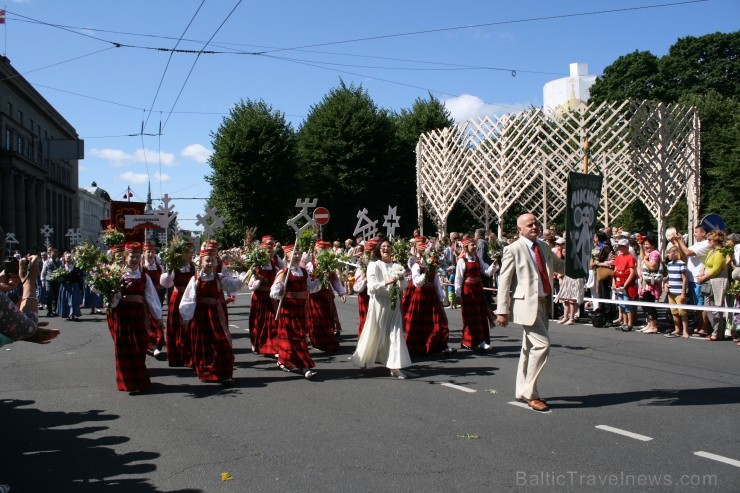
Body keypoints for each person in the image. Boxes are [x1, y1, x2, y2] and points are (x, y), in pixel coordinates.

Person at [495, 213, 564, 412]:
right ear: (520, 230)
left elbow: (559, 266)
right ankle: (531, 394)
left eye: (536, 223)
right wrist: (502, 310)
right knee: (542, 346)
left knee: (528, 349)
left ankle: (521, 389)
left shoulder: (544, 247)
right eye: (529, 224)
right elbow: (504, 282)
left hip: (543, 303)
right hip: (526, 305)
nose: (534, 227)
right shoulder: (513, 249)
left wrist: (580, 264)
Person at [179, 242, 244, 384]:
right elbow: (188, 298)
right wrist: (186, 317)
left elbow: (235, 285)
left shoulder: (219, 277)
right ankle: (206, 372)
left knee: (221, 341)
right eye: (207, 260)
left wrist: (247, 273)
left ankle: (224, 373)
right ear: (201, 262)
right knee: (203, 344)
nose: (210, 263)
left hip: (215, 314)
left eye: (212, 261)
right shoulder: (195, 279)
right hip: (200, 315)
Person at [107, 242, 164, 393]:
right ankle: (127, 382)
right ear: (126, 257)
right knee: (124, 348)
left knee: (139, 346)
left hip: (138, 315)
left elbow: (152, 298)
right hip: (122, 315)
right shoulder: (116, 273)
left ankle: (139, 380)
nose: (134, 259)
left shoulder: (144, 277)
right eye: (132, 255)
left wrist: (158, 318)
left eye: (137, 256)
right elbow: (106, 293)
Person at [351, 240, 413, 379]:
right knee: (374, 332)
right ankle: (365, 358)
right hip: (379, 304)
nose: (386, 248)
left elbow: (404, 287)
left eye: (389, 246)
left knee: (396, 334)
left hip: (394, 304)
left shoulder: (397, 265)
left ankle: (395, 367)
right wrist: (387, 281)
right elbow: (372, 287)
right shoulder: (374, 265)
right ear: (379, 250)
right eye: (383, 246)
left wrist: (402, 280)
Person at [270, 244, 321, 379]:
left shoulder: (304, 272)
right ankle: (305, 367)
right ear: (287, 256)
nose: (297, 256)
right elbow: (274, 293)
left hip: (302, 309)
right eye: (294, 253)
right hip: (289, 310)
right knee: (294, 337)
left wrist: (322, 279)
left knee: (297, 337)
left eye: (298, 253)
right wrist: (280, 288)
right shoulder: (283, 273)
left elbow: (310, 288)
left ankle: (282, 359)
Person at [403, 240, 455, 355]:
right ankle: (417, 346)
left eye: (426, 250)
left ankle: (440, 345)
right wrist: (425, 274)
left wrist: (441, 296)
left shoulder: (433, 264)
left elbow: (436, 281)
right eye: (422, 250)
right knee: (417, 322)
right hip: (420, 296)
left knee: (437, 321)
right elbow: (417, 282)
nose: (425, 252)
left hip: (431, 296)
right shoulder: (416, 265)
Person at [455, 237, 497, 352]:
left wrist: (495, 263)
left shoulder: (477, 259)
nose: (475, 247)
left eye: (475, 245)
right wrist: (458, 294)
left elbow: (488, 272)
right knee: (471, 317)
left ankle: (477, 340)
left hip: (478, 289)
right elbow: (458, 278)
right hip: (468, 291)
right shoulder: (462, 261)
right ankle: (473, 341)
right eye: (472, 245)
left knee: (480, 315)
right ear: (466, 247)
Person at [160, 241, 196, 367]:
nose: (190, 255)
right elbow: (166, 283)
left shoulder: (194, 267)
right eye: (187, 253)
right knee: (176, 326)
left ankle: (189, 355)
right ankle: (177, 356)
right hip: (178, 297)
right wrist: (169, 270)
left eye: (191, 252)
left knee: (190, 327)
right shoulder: (175, 267)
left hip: (190, 298)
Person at [305, 240, 346, 352]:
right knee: (317, 318)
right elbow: (309, 282)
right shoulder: (310, 265)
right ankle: (317, 340)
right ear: (316, 250)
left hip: (326, 294)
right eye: (320, 249)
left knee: (328, 318)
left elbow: (335, 280)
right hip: (315, 295)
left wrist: (341, 293)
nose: (323, 251)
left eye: (325, 249)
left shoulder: (330, 264)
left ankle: (328, 339)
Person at [671, 225, 711, 335]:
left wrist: (679, 240)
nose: (694, 234)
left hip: (699, 278)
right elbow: (684, 253)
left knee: (700, 305)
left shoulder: (706, 244)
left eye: (696, 232)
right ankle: (699, 325)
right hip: (691, 278)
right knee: (695, 305)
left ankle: (705, 327)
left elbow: (688, 252)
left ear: (703, 233)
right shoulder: (696, 244)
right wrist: (677, 242)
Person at [247, 235, 282, 356]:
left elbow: (282, 274)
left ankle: (273, 346)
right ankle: (257, 343)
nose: (270, 253)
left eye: (271, 250)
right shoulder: (257, 265)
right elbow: (250, 285)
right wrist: (258, 280)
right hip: (259, 298)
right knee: (258, 322)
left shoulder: (276, 264)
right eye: (267, 250)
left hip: (271, 298)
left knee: (273, 322)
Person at [694, 230, 728, 341]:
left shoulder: (721, 252)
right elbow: (706, 264)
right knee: (708, 308)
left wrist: (703, 278)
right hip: (708, 282)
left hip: (717, 282)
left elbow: (715, 270)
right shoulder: (711, 251)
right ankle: (716, 330)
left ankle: (717, 332)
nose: (708, 242)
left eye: (710, 240)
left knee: (716, 308)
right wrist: (701, 273)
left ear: (716, 241)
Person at [142, 242, 166, 358]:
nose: (151, 254)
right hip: (145, 299)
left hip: (157, 296)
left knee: (157, 318)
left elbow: (163, 283)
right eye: (148, 252)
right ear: (144, 253)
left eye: (152, 252)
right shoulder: (141, 267)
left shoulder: (159, 267)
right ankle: (152, 345)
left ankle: (156, 344)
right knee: (148, 321)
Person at [612, 238, 638, 332]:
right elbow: (615, 270)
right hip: (618, 282)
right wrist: (614, 283)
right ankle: (624, 322)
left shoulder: (630, 257)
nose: (619, 248)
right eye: (619, 246)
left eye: (621, 246)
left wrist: (625, 284)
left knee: (627, 304)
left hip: (626, 284)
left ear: (626, 247)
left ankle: (630, 323)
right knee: (621, 304)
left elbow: (632, 273)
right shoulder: (619, 256)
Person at [663, 245, 690, 338]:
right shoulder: (669, 264)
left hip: (679, 291)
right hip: (671, 291)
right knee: (674, 311)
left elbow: (684, 278)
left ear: (675, 253)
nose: (668, 256)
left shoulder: (681, 264)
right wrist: (665, 284)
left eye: (669, 253)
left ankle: (685, 330)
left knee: (682, 312)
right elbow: (667, 277)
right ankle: (677, 328)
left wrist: (683, 292)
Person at [57, 252, 84, 321]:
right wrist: (63, 281)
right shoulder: (62, 267)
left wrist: (80, 287)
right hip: (65, 286)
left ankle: (73, 314)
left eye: (69, 258)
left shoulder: (75, 267)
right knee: (66, 300)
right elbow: (58, 277)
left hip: (74, 285)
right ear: (65, 259)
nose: (68, 259)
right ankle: (67, 314)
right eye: (67, 258)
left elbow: (79, 277)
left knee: (73, 300)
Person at [40, 248, 63, 317]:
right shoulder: (46, 262)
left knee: (56, 296)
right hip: (49, 280)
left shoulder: (60, 262)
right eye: (53, 255)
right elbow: (43, 272)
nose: (54, 256)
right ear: (50, 254)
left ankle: (55, 310)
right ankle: (49, 310)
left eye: (55, 255)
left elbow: (62, 270)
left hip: (57, 281)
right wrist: (43, 281)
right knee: (49, 295)